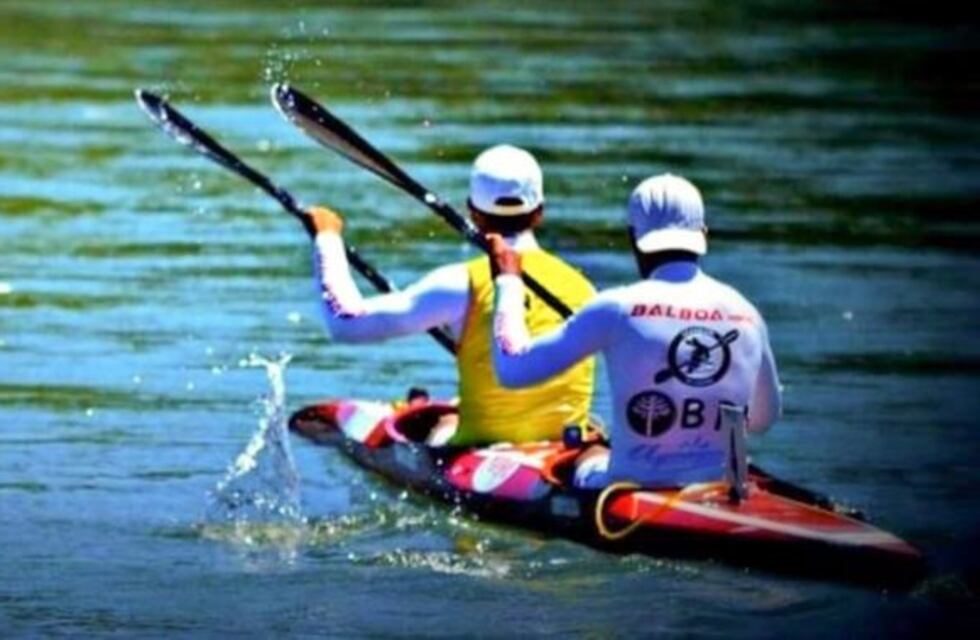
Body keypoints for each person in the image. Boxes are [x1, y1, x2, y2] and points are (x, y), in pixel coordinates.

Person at [489, 174, 781, 488]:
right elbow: (764, 419)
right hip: (723, 484)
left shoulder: (615, 307)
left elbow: (513, 369)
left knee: (584, 453)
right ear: (703, 234)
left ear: (632, 237)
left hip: (630, 485)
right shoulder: (747, 313)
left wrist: (508, 281)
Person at [303, 144, 596, 446]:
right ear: (539, 213)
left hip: (482, 450)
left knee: (436, 423)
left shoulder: (459, 283)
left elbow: (345, 324)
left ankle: (431, 417)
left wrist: (327, 236)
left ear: (472, 211)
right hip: (567, 449)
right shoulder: (584, 288)